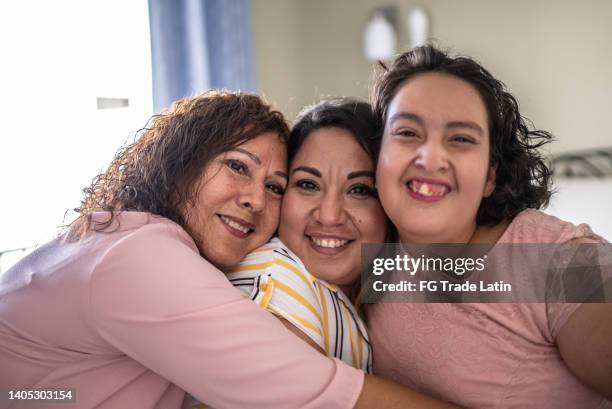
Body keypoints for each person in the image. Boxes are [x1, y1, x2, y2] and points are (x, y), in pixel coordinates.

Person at [0, 90, 459, 409]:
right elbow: (313, 392)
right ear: (180, 163)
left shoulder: (129, 242)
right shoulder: (153, 258)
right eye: (237, 167)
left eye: (274, 185)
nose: (256, 199)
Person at [366, 45, 612, 408]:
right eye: (407, 133)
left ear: (489, 178)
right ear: (377, 159)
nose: (431, 157)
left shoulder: (568, 262)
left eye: (461, 139)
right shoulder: (363, 253)